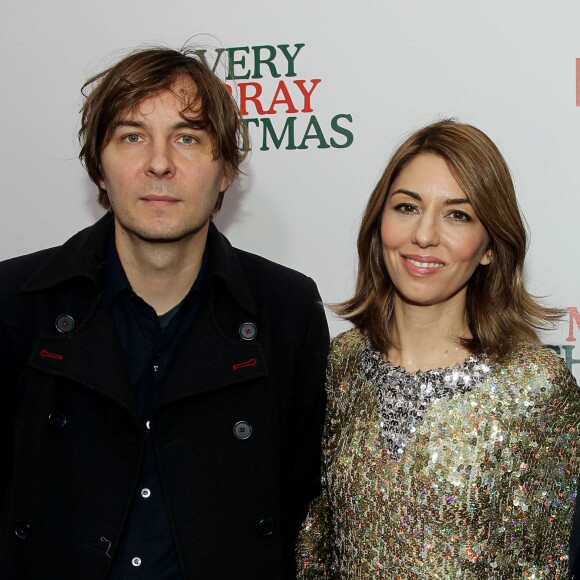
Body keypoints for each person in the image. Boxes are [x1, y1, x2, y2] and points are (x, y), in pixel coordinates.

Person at [0, 46, 329, 579]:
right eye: (132, 136)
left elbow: (302, 509)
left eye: (188, 138)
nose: (159, 163)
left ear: (225, 171)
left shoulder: (285, 310)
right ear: (99, 169)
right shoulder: (16, 302)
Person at [296, 119, 580, 578]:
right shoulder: (341, 364)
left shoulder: (537, 386)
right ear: (379, 223)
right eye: (407, 207)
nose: (424, 235)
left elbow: (550, 563)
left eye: (458, 215)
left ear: (489, 246)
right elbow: (315, 544)